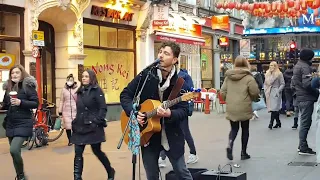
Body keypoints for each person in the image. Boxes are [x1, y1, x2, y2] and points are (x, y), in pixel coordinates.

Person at [120, 42, 193, 180]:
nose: (161, 55)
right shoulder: (147, 75)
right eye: (160, 52)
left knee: (182, 173)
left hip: (172, 136)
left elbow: (185, 110)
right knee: (152, 176)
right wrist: (134, 114)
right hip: (148, 135)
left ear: (175, 59)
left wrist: (170, 113)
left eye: (166, 53)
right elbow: (125, 94)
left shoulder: (181, 81)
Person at [71, 70, 115, 180]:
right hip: (80, 126)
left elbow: (103, 108)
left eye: (86, 76)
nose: (84, 78)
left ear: (91, 78)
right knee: (78, 152)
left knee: (97, 151)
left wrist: (96, 121)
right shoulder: (80, 90)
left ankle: (110, 170)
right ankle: (77, 177)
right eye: (83, 76)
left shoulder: (97, 90)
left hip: (93, 127)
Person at [1, 64, 39, 180]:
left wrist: (20, 102)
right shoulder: (8, 87)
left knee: (14, 149)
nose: (15, 75)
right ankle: (19, 175)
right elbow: (6, 105)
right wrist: (4, 104)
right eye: (12, 73)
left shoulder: (27, 86)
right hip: (11, 123)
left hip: (23, 122)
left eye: (17, 72)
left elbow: (35, 103)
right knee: (14, 153)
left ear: (22, 73)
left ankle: (21, 177)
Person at [221, 55, 260, 161]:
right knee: (245, 129)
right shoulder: (249, 77)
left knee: (234, 128)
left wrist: (228, 99)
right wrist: (255, 99)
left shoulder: (228, 77)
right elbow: (254, 92)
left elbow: (222, 91)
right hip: (244, 106)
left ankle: (230, 144)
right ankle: (243, 152)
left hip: (231, 106)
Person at [158, 67, 198, 167]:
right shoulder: (161, 77)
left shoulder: (184, 77)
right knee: (164, 132)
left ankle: (193, 153)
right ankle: (162, 158)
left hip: (180, 108)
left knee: (185, 132)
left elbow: (190, 90)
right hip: (167, 109)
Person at [292, 48, 319, 155]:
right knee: (305, 123)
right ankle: (303, 147)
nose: (313, 58)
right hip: (306, 97)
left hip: (300, 96)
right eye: (312, 56)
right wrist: (316, 92)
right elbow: (308, 84)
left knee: (304, 121)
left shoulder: (298, 65)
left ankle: (302, 145)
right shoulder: (304, 67)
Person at [264, 61, 285, 130]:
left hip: (276, 92)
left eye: (273, 65)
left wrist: (278, 91)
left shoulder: (279, 74)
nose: (271, 67)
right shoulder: (267, 74)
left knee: (274, 108)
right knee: (274, 108)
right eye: (270, 65)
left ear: (276, 66)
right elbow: (266, 83)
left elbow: (282, 83)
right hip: (269, 91)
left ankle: (271, 123)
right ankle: (278, 122)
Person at [58, 74, 78, 146]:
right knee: (68, 126)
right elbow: (61, 101)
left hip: (75, 110)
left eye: (71, 80)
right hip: (66, 110)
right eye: (68, 80)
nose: (70, 82)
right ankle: (70, 140)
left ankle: (75, 138)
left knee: (75, 125)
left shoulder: (77, 89)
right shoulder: (64, 90)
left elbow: (79, 100)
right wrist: (60, 111)